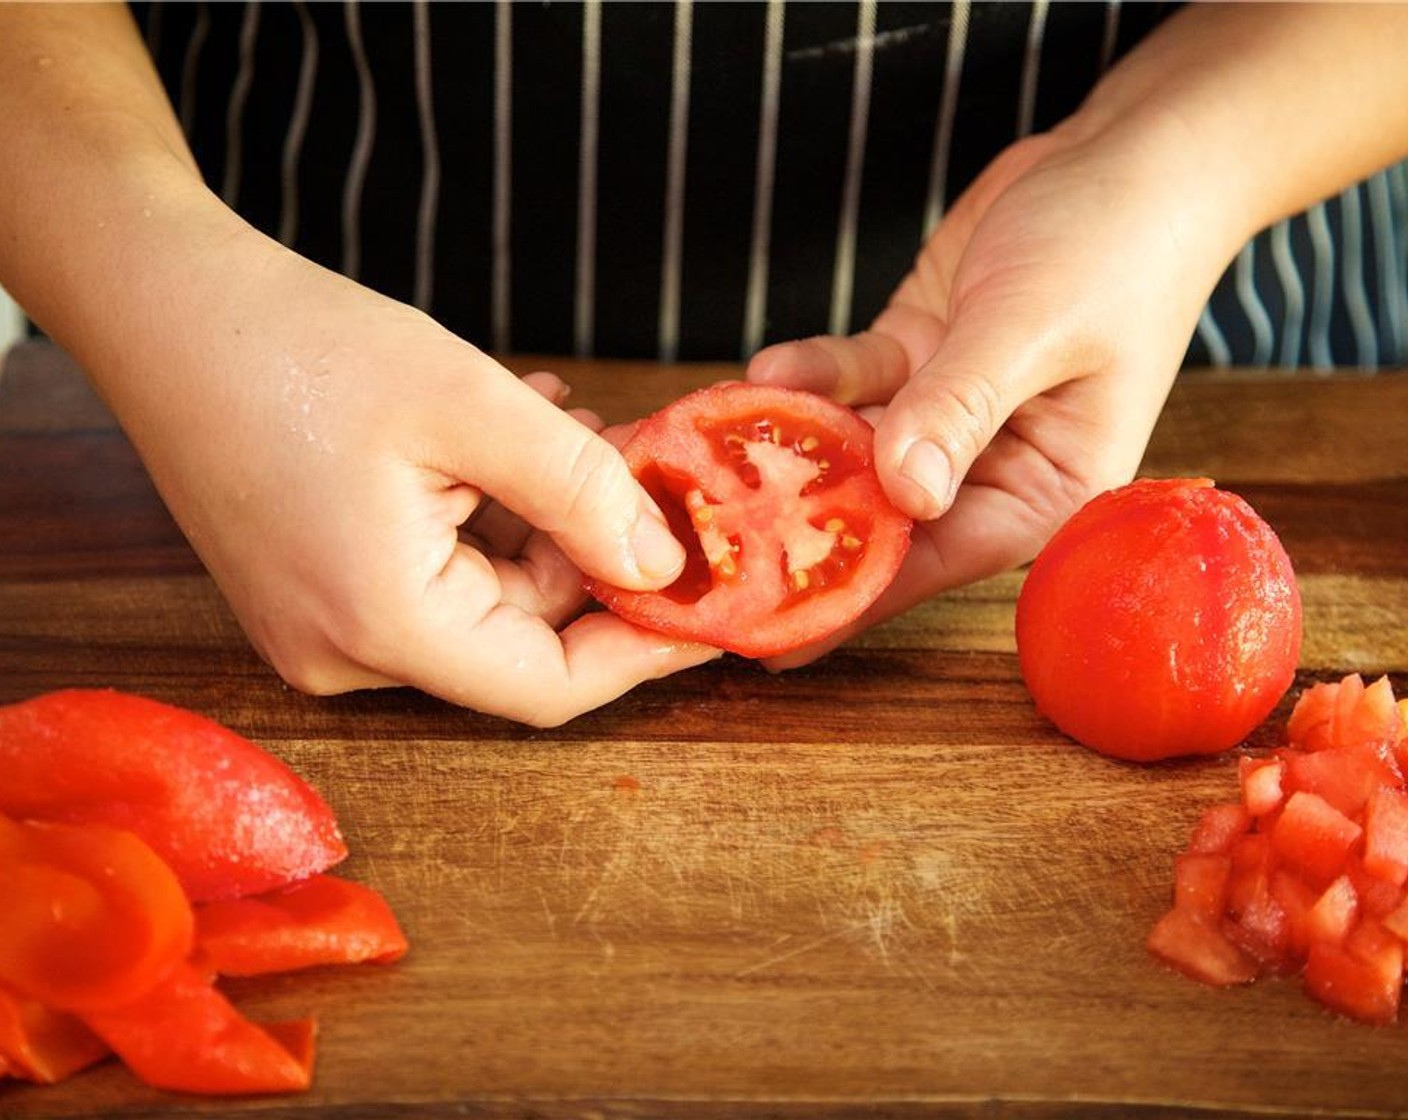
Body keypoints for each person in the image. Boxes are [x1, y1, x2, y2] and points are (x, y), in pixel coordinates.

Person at [1, 3, 1406, 725]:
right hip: (244, 280)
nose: (755, 509)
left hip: (1189, 297)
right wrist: (156, 281)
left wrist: (1176, 162)